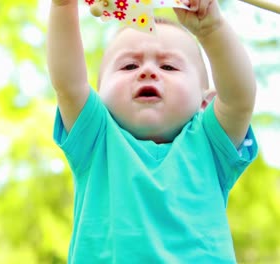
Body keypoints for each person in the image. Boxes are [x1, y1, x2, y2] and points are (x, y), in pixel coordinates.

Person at [46, 0, 259, 262]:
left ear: (206, 102)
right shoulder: (96, 138)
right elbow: (68, 85)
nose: (147, 71)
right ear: (98, 99)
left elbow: (239, 100)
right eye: (129, 66)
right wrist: (63, 6)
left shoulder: (210, 143)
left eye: (168, 66)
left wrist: (211, 30)